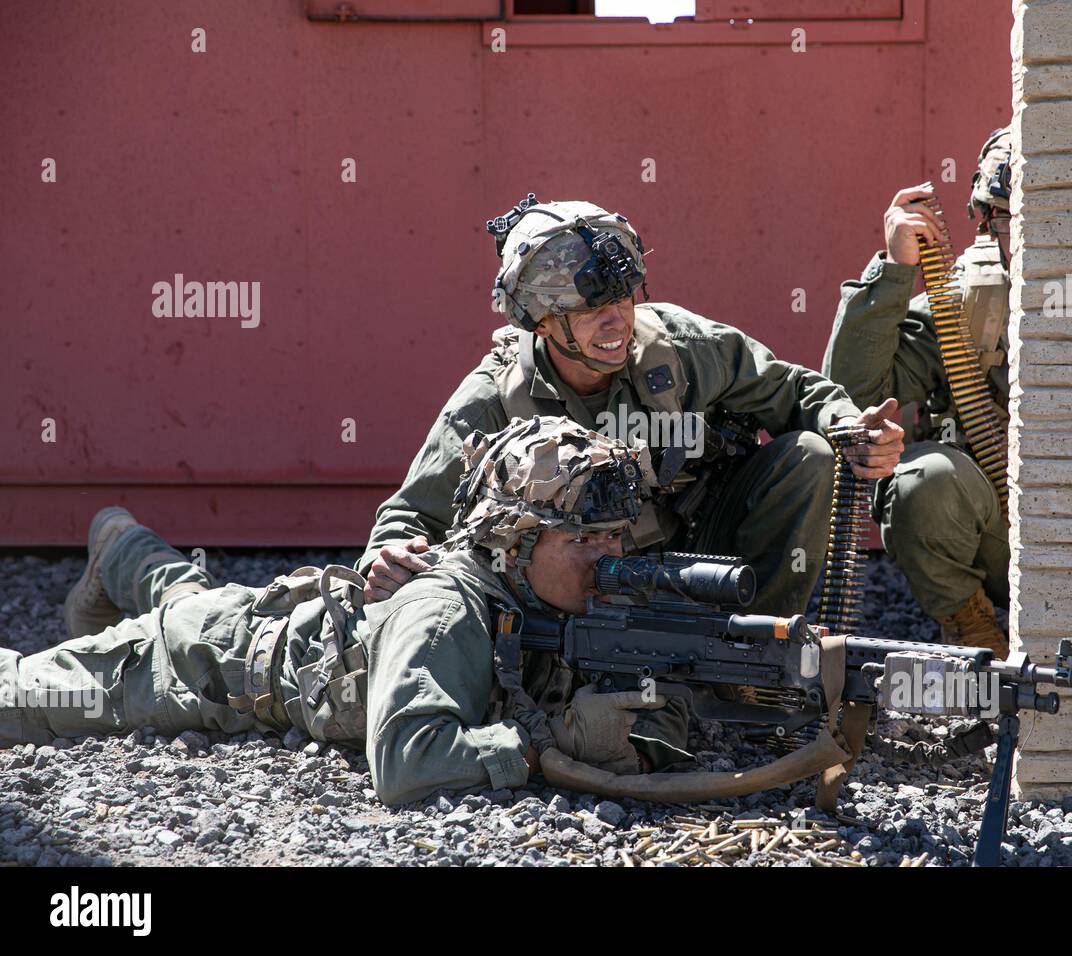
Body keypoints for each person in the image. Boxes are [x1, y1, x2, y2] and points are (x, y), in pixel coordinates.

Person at [12, 417, 691, 804]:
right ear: (513, 544)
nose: (607, 558)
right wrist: (554, 742)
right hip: (197, 668)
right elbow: (406, 764)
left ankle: (122, 547)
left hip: (258, 618)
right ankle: (125, 555)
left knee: (200, 598)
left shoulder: (554, 593)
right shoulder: (448, 614)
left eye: (614, 535)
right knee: (18, 703)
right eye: (581, 540)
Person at [361, 194, 905, 618]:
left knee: (809, 454)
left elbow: (795, 393)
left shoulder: (682, 348)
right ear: (541, 321)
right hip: (566, 595)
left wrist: (853, 430)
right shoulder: (496, 398)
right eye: (591, 310)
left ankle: (751, 657)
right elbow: (411, 514)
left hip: (698, 559)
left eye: (623, 300)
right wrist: (388, 558)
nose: (617, 322)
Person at [821, 129, 1013, 657]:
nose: (1019, 238)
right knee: (924, 480)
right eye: (1005, 218)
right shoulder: (968, 307)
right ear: (984, 220)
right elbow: (851, 397)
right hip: (1007, 541)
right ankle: (974, 631)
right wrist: (895, 273)